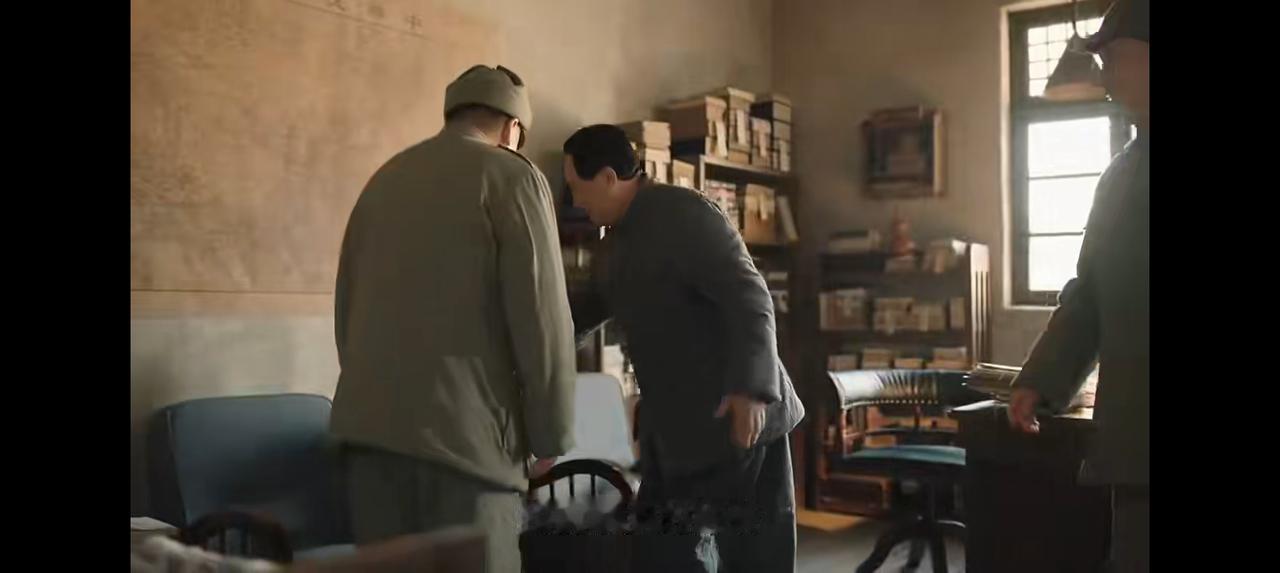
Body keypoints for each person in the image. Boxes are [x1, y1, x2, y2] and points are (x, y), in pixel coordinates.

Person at [329, 64, 577, 573]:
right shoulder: (512, 176)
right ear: (512, 127)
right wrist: (551, 434)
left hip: (368, 440)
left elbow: (346, 311)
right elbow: (543, 321)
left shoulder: (384, 178)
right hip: (466, 448)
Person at [564, 124, 805, 573]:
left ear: (608, 178)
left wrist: (751, 391)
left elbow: (750, 297)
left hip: (740, 415)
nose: (577, 202)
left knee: (755, 555)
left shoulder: (685, 214)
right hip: (678, 431)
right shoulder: (614, 246)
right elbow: (582, 313)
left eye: (578, 188)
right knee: (660, 555)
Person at [1007, 1, 1149, 571]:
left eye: (1116, 60)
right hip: (1136, 438)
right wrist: (1041, 379)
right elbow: (1089, 292)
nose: (1107, 78)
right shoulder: (1121, 173)